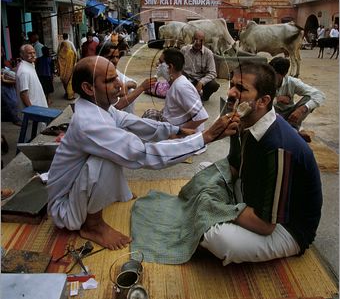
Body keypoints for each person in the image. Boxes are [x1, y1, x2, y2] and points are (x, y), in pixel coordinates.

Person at [47, 55, 240, 250]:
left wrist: (176, 131)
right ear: (89, 88)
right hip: (65, 210)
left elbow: (134, 122)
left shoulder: (99, 107)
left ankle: (112, 193)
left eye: (116, 77)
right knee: (111, 153)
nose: (118, 84)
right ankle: (92, 226)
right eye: (109, 81)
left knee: (120, 144)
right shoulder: (89, 123)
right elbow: (143, 154)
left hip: (75, 193)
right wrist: (203, 138)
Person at [199, 61, 322, 265]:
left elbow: (266, 225)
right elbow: (235, 166)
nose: (230, 93)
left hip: (285, 228)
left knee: (217, 238)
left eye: (241, 89)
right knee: (204, 171)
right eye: (231, 84)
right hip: (251, 196)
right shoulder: (244, 120)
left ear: (263, 101)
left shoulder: (278, 147)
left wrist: (216, 207)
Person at [143, 48, 209, 132]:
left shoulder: (181, 87)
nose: (157, 64)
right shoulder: (175, 83)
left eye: (160, 62)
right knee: (148, 116)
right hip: (174, 127)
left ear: (170, 67)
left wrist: (177, 134)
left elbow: (202, 116)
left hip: (184, 138)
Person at [269, 57, 325, 142]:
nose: (270, 77)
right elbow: (257, 102)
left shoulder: (292, 82)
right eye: (269, 73)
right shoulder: (264, 80)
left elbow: (320, 95)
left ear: (284, 74)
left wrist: (302, 109)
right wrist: (277, 99)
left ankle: (292, 128)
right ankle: (295, 131)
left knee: (310, 98)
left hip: (290, 115)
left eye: (274, 74)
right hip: (271, 114)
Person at [96, 42, 156, 113]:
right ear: (100, 57)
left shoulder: (114, 71)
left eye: (117, 57)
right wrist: (142, 87)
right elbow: (117, 105)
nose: (115, 61)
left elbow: (134, 83)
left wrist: (125, 85)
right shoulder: (98, 77)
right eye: (110, 57)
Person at [181, 30, 220, 102]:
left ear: (204, 41)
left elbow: (213, 73)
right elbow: (178, 66)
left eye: (201, 40)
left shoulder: (208, 53)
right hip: (187, 79)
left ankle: (204, 97)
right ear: (192, 39)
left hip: (200, 80)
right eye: (196, 39)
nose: (198, 42)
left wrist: (201, 82)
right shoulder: (184, 50)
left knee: (214, 85)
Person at [1, 56, 21, 125]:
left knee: (12, 103)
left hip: (7, 90)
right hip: (6, 90)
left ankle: (15, 119)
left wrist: (4, 80)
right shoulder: (5, 70)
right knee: (11, 104)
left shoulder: (5, 70)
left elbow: (16, 80)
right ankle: (15, 119)